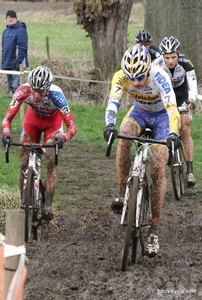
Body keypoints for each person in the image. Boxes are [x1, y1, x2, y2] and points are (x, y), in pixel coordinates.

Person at [103, 44, 181, 257]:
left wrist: (174, 133)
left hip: (163, 119)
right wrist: (109, 124)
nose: (136, 83)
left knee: (158, 168)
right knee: (124, 132)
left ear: (148, 69)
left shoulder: (160, 77)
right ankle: (121, 194)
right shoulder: (121, 76)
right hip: (139, 113)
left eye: (140, 77)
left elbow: (173, 109)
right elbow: (113, 102)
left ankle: (154, 231)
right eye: (132, 78)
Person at [2, 66, 76, 221]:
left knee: (50, 159)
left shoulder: (57, 96)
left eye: (41, 92)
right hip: (32, 121)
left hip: (52, 124)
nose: (35, 95)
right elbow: (7, 118)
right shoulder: (23, 91)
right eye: (34, 90)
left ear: (48, 89)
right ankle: (24, 205)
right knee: (24, 162)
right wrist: (6, 133)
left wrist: (63, 138)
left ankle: (47, 205)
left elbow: (72, 127)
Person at [153, 36, 198, 187]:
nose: (170, 61)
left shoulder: (186, 63)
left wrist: (191, 101)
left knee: (184, 126)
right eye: (167, 57)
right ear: (162, 56)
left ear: (178, 54)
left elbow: (193, 87)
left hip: (181, 96)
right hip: (165, 97)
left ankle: (190, 170)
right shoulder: (157, 64)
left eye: (173, 57)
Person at [2, 10, 29, 94]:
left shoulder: (21, 30)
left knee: (16, 86)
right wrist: (2, 62)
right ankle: (14, 104)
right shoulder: (5, 32)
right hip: (7, 63)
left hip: (16, 63)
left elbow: (23, 46)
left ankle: (19, 105)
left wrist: (19, 60)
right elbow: (4, 48)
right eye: (8, 17)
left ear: (15, 18)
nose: (10, 19)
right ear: (6, 19)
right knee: (11, 86)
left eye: (12, 17)